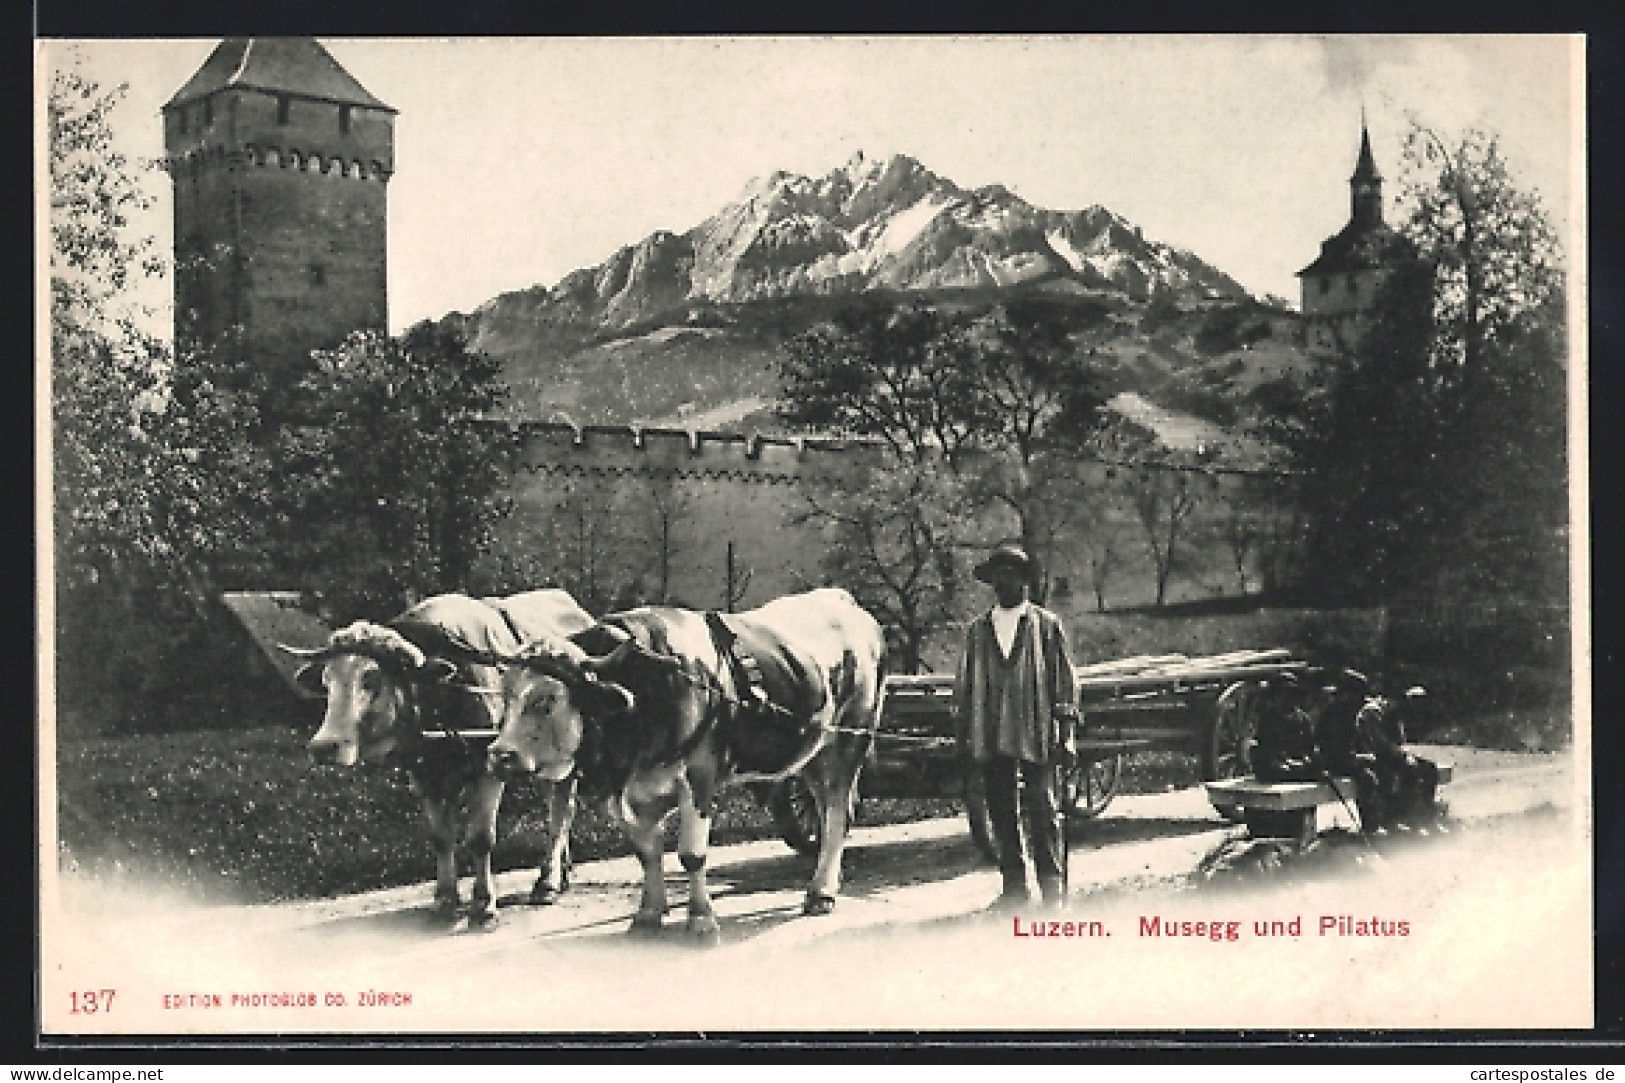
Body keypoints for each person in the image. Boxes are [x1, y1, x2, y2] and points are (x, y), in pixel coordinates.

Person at [954, 542, 1079, 910]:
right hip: (990, 734)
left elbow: (1065, 681)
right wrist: (963, 732)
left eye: (1012, 574)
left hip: (1035, 731)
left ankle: (1053, 889)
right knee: (1001, 809)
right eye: (998, 576)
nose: (1004, 583)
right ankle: (1014, 887)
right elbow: (964, 686)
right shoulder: (978, 631)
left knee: (1043, 808)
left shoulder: (1044, 626)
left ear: (1025, 580)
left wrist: (1067, 733)